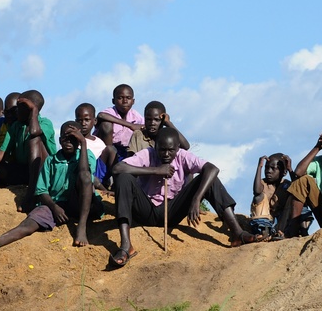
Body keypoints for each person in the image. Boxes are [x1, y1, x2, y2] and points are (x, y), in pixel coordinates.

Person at [109, 127, 262, 267]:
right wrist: (156, 170)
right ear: (155, 146)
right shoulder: (147, 154)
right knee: (123, 177)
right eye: (162, 150)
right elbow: (117, 168)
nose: (166, 154)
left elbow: (212, 168)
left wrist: (196, 199)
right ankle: (126, 245)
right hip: (146, 211)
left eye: (171, 150)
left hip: (172, 211)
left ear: (178, 148)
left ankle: (237, 233)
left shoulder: (183, 156)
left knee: (210, 179)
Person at [0, 121, 99, 255]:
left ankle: (81, 227)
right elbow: (41, 190)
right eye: (66, 136)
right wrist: (54, 207)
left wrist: (83, 143)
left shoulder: (87, 155)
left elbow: (84, 173)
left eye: (74, 137)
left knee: (86, 177)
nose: (69, 140)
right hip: (56, 203)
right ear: (60, 139)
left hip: (79, 203)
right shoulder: (51, 160)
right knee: (30, 222)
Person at [0, 89, 56, 212]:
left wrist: (34, 111)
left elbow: (34, 132)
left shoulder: (45, 123)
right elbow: (1, 152)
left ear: (30, 109)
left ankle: (32, 194)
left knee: (35, 141)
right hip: (23, 172)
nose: (16, 111)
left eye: (20, 107)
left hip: (43, 174)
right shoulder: (16, 126)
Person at [279, 129, 322, 237]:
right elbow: (298, 173)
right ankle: (292, 230)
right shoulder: (321, 162)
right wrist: (317, 147)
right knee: (303, 181)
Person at [249, 153, 294, 240]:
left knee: (294, 198)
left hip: (282, 222)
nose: (268, 171)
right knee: (259, 197)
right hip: (265, 221)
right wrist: (259, 167)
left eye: (273, 168)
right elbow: (257, 191)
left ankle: (282, 233)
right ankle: (263, 232)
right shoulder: (263, 183)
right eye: (267, 167)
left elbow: (298, 188)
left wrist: (290, 168)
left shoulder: (287, 184)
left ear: (284, 172)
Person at [94, 84, 144, 159]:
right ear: (113, 101)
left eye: (128, 98)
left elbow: (145, 126)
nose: (125, 101)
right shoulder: (111, 111)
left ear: (133, 101)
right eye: (120, 98)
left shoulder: (135, 116)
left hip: (126, 150)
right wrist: (130, 125)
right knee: (106, 125)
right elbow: (101, 115)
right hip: (106, 149)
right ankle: (109, 161)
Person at [126, 101, 191, 155]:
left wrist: (168, 123)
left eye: (156, 120)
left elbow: (186, 146)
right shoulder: (138, 135)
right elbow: (130, 159)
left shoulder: (167, 136)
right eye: (148, 119)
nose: (152, 123)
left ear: (162, 120)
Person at [75, 102, 114, 187]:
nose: (83, 123)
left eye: (87, 120)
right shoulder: (73, 140)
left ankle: (114, 184)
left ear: (94, 121)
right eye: (80, 120)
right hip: (82, 173)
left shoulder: (98, 142)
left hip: (98, 173)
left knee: (111, 149)